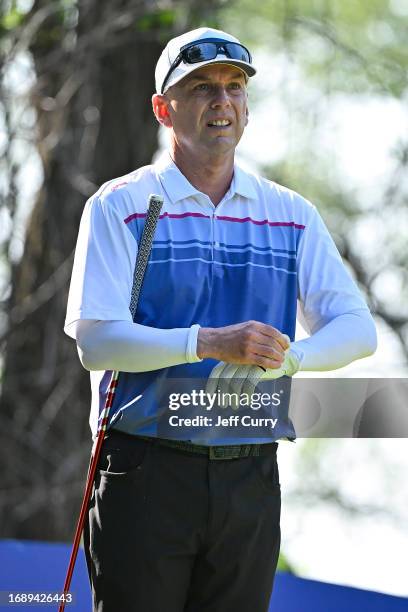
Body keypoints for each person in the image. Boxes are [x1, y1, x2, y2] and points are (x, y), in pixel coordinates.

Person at [64, 26, 377, 612]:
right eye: (203, 87)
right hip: (144, 470)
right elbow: (97, 343)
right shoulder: (123, 204)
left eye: (235, 88)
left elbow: (357, 327)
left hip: (250, 476)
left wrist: (288, 358)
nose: (222, 102)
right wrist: (209, 343)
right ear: (164, 109)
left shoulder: (291, 214)